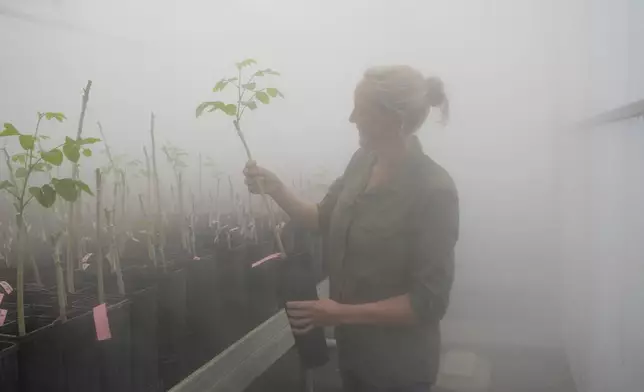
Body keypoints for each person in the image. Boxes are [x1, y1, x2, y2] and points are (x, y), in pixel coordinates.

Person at [244, 65, 459, 392]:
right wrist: (275, 189)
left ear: (392, 119)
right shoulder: (362, 162)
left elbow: (428, 302)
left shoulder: (434, 190)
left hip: (399, 371)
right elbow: (322, 218)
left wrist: (341, 313)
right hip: (355, 357)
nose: (351, 118)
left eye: (361, 109)